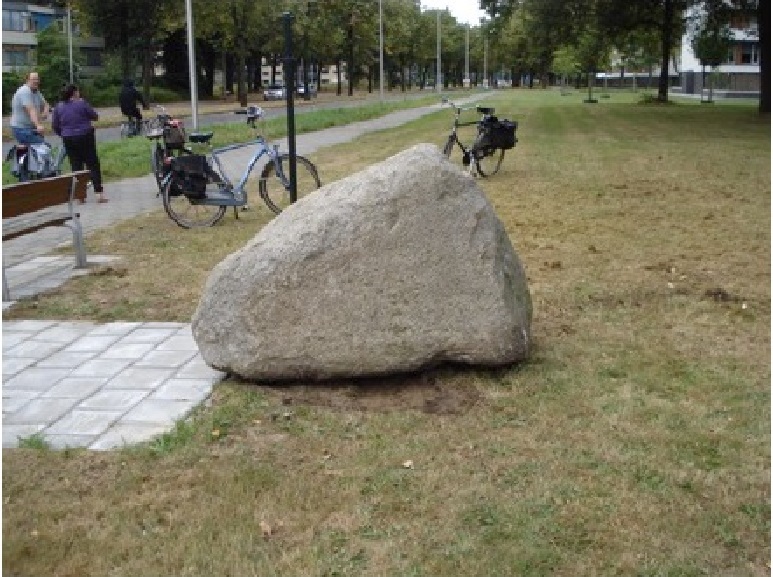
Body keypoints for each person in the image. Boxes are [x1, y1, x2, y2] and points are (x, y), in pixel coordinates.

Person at [52, 84, 108, 203]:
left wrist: (63, 134)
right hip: (85, 136)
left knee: (76, 165)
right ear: (75, 93)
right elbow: (95, 116)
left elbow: (55, 125)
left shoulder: (58, 107)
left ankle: (80, 196)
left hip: (68, 138)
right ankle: (99, 193)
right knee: (92, 163)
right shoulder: (81, 103)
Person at [10, 71, 50, 146]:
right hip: (21, 128)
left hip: (30, 128)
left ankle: (21, 156)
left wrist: (45, 112)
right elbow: (31, 110)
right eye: (33, 79)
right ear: (27, 80)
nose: (36, 81)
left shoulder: (36, 92)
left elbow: (46, 104)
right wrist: (38, 125)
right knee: (43, 146)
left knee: (29, 150)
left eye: (37, 79)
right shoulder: (25, 91)